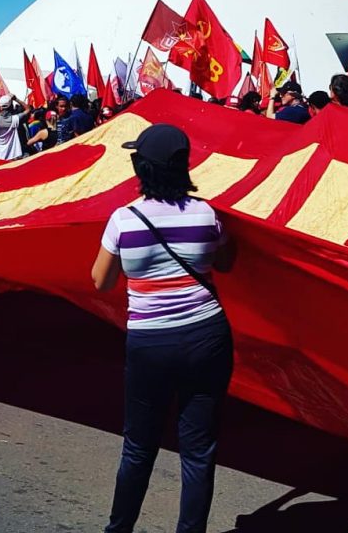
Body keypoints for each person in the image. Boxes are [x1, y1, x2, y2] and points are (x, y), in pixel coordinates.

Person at [92, 123, 234, 533]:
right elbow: (224, 263)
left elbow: (100, 281)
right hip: (207, 335)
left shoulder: (124, 220)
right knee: (198, 450)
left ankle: (119, 529)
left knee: (138, 447)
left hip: (150, 342)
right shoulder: (207, 214)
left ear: (143, 168)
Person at [0, 95, 32, 160]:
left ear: (0, 107)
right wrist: (16, 99)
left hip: (1, 156)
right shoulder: (14, 119)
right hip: (14, 156)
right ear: (11, 106)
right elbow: (28, 109)